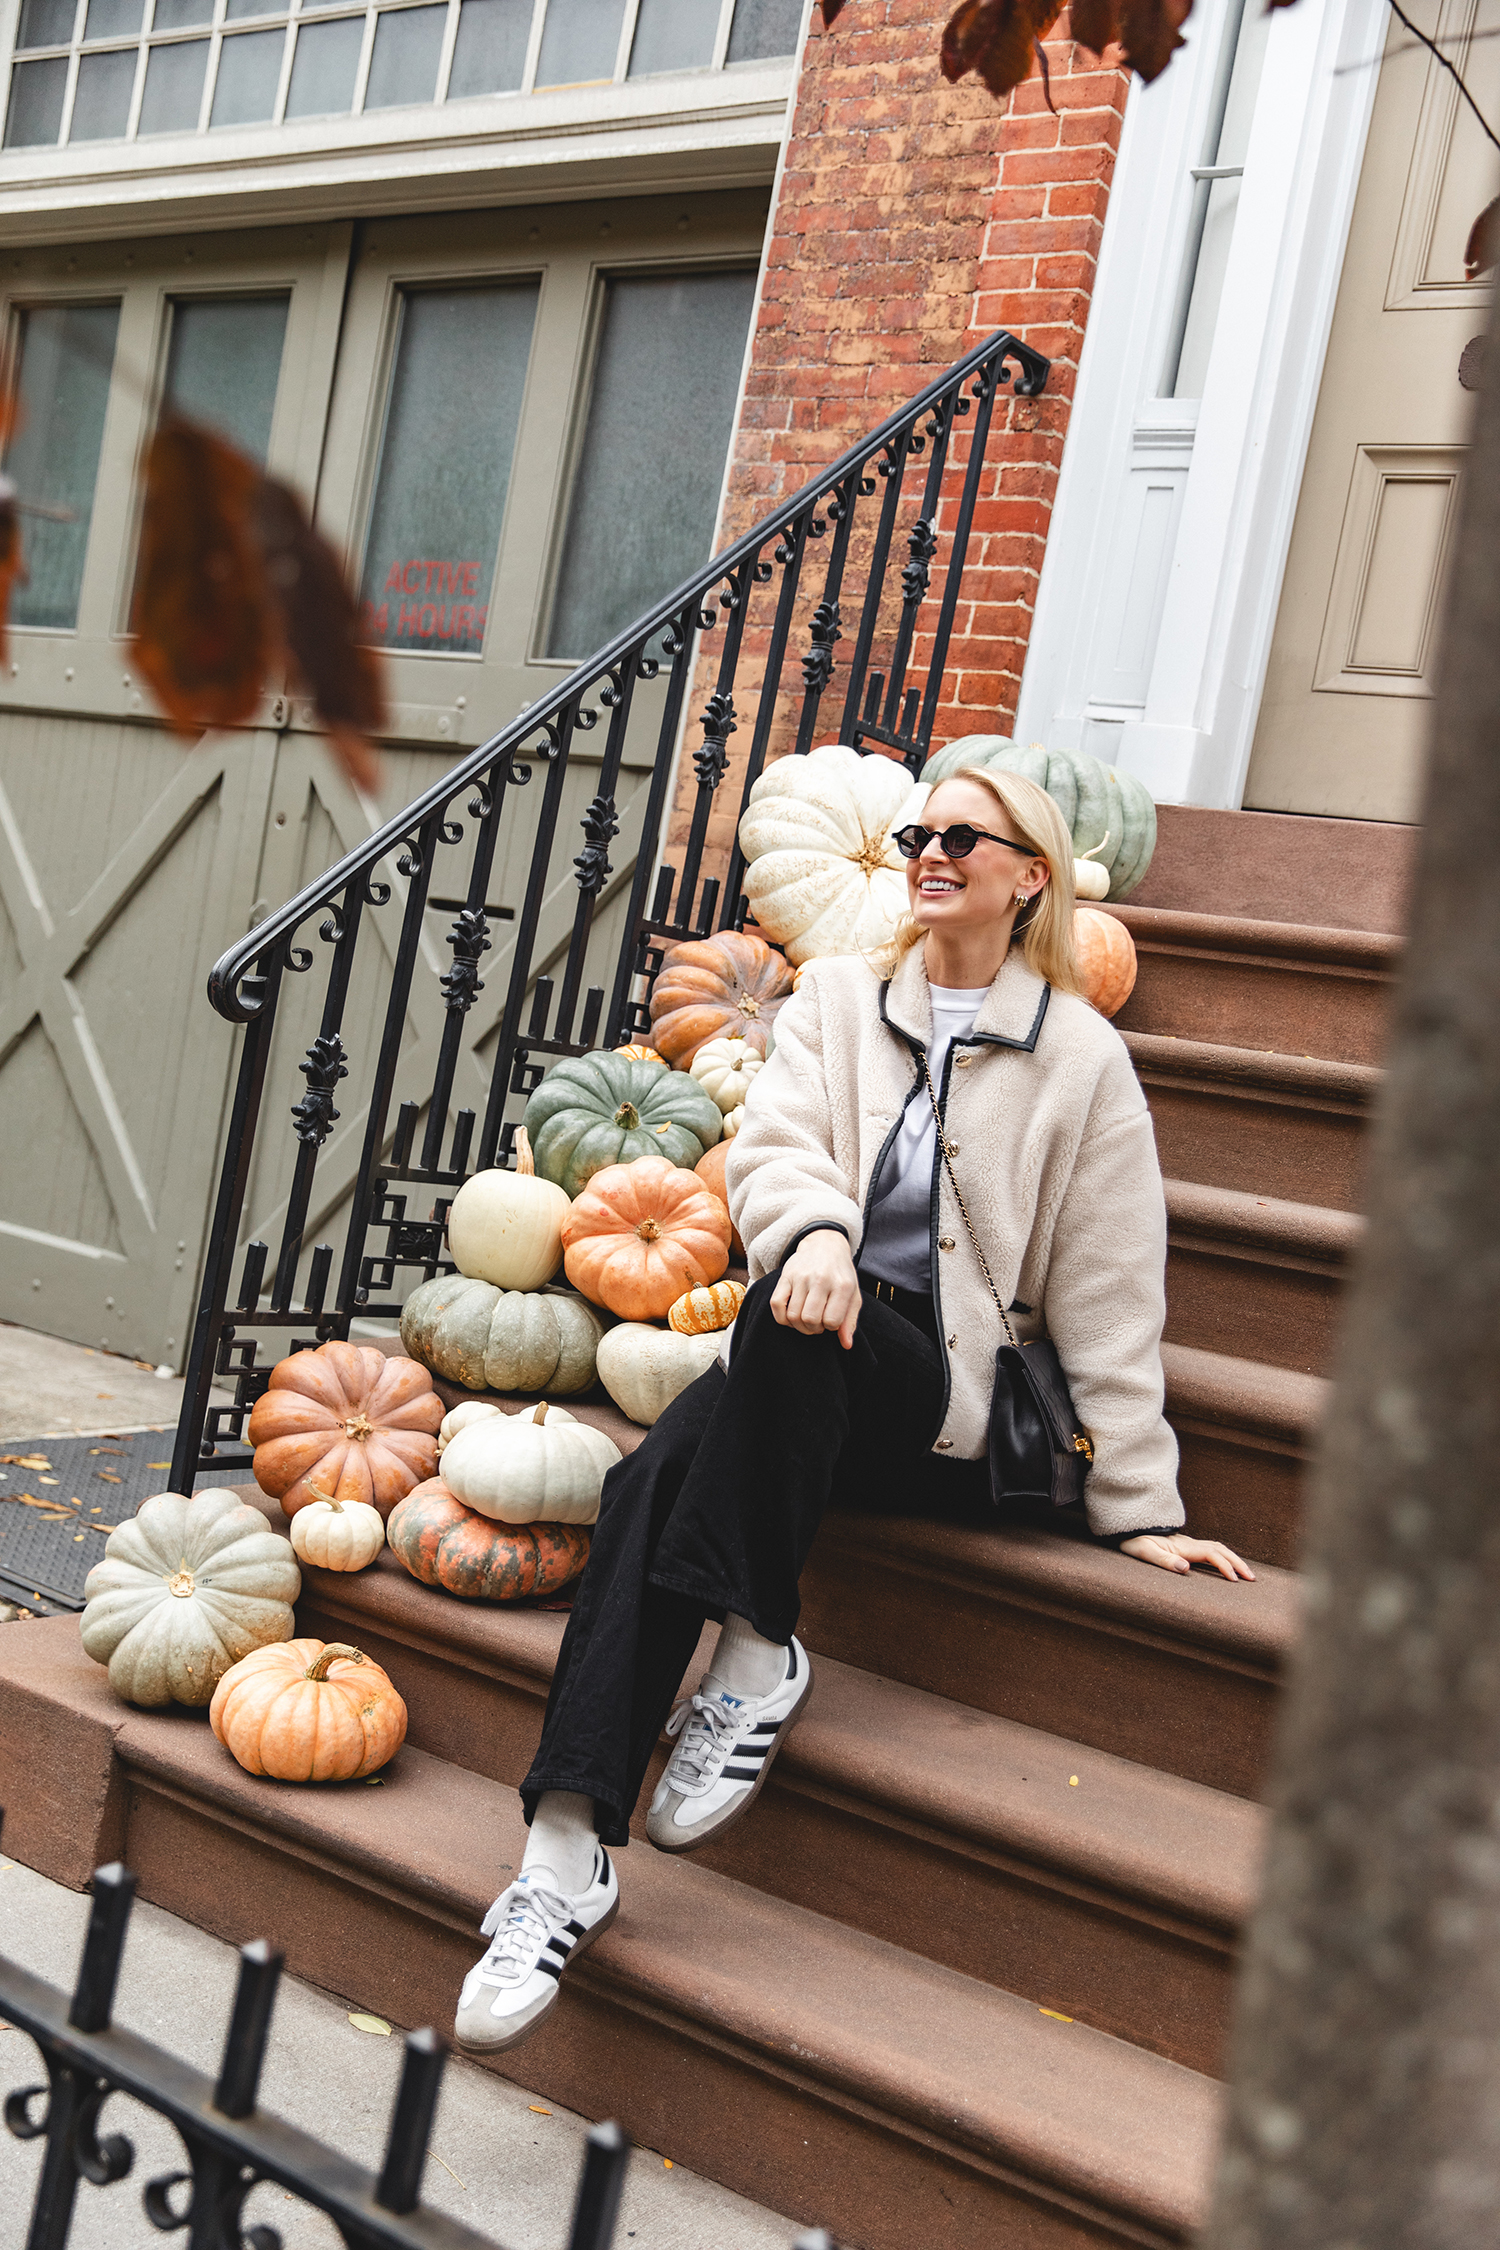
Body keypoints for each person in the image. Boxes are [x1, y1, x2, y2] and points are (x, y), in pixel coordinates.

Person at [453, 763, 1252, 2053]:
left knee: (757, 1360)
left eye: (964, 838)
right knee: (660, 1466)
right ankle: (565, 1849)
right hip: (800, 1368)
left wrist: (1138, 1505)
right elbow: (773, 1151)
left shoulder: (1081, 1056)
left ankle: (755, 1650)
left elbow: (1110, 1291)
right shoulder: (834, 999)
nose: (931, 851)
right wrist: (820, 1234)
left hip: (941, 1405)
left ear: (1030, 875)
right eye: (919, 831)